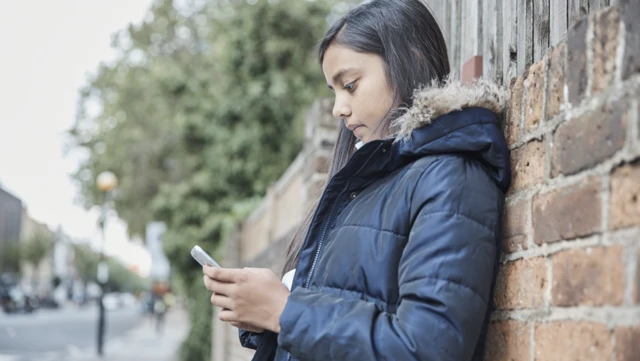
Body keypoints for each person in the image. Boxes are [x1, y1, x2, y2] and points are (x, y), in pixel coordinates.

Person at [202, 0, 510, 360]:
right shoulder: (362, 185)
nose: (338, 108)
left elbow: (427, 349)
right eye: (334, 91)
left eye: (349, 85)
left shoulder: (451, 178)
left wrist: (284, 311)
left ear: (412, 60)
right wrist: (263, 315)